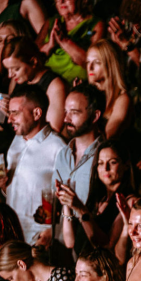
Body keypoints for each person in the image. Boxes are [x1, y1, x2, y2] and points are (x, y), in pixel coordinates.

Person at [2, 85, 67, 244]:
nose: (9, 119)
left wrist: (54, 232)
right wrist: (3, 184)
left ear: (37, 113)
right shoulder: (16, 142)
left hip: (37, 239)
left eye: (15, 113)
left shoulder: (58, 148)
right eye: (9, 113)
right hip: (11, 234)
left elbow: (69, 200)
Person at [58, 142, 132, 253]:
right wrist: (66, 203)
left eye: (112, 162)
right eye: (100, 163)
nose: (105, 168)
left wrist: (81, 209)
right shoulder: (97, 198)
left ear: (126, 165)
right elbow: (70, 242)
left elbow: (107, 246)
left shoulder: (129, 201)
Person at [39, 0, 105, 83]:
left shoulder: (96, 24)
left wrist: (65, 41)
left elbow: (94, 64)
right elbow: (32, 57)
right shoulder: (51, 22)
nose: (62, 1)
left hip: (75, 84)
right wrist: (50, 45)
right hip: (47, 81)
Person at [53, 84, 105, 213]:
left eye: (74, 113)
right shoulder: (63, 154)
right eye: (66, 112)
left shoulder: (105, 156)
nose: (66, 119)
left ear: (94, 116)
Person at [2, 38, 68, 133]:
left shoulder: (55, 86)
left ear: (33, 62)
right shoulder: (17, 80)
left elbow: (52, 131)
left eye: (16, 69)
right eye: (8, 69)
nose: (10, 75)